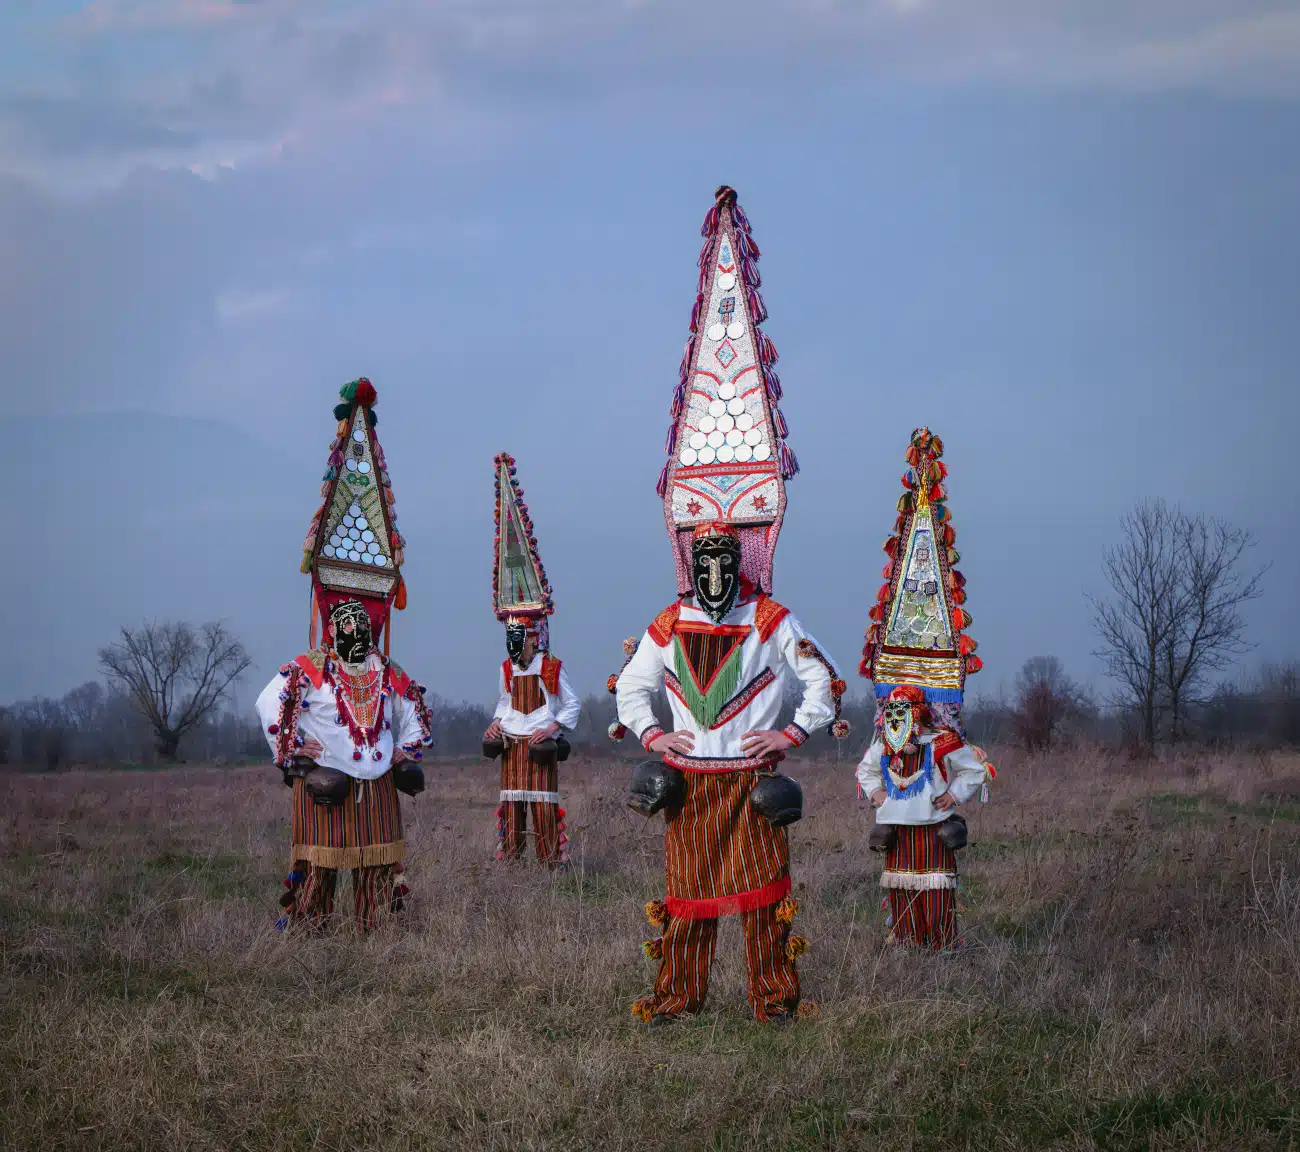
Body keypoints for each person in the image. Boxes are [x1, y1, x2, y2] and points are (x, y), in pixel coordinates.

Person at [615, 187, 850, 1024]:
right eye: (701, 557)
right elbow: (629, 687)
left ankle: (774, 999)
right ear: (688, 556)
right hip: (687, 778)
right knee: (684, 896)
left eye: (728, 556)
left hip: (750, 778)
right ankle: (676, 998)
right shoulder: (667, 623)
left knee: (760, 894)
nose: (715, 571)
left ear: (746, 553)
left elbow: (823, 685)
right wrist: (650, 734)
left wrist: (789, 733)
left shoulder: (773, 620)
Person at [255, 378, 431, 932]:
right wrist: (293, 750)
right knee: (319, 868)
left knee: (378, 866)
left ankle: (375, 933)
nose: (354, 629)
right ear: (332, 626)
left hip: (376, 782)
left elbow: (413, 719)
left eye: (362, 622)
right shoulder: (308, 669)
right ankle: (308, 934)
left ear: (374, 624)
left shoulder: (389, 674)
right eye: (344, 622)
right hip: (325, 781)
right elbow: (269, 702)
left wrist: (405, 754)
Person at [855, 427, 994, 948]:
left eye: (904, 712)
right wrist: (875, 797)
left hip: (932, 828)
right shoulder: (884, 744)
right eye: (891, 712)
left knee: (936, 890)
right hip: (895, 826)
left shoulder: (941, 743)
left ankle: (940, 945)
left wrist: (950, 799)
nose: (896, 721)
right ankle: (904, 944)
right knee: (898, 889)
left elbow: (974, 768)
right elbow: (868, 768)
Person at [480, 453, 581, 868]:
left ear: (532, 636)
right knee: (512, 807)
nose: (513, 643)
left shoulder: (551, 668)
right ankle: (512, 867)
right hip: (511, 746)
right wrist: (496, 723)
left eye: (517, 636)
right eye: (509, 635)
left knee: (541, 807)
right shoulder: (506, 670)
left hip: (538, 744)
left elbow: (570, 705)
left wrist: (553, 727)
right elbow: (505, 704)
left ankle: (549, 867)